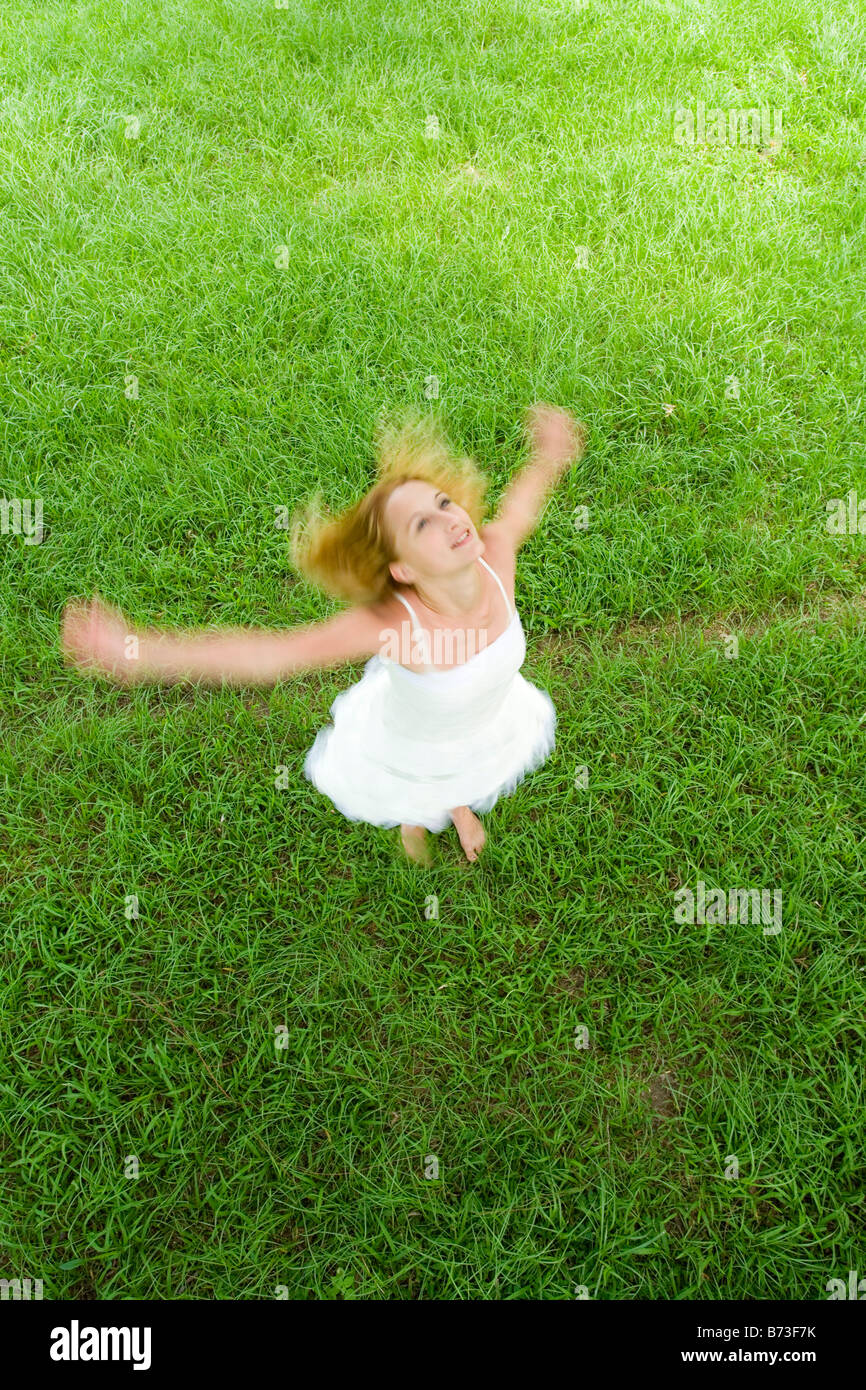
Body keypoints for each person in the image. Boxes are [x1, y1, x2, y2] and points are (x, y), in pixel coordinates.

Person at [60, 403, 587, 864]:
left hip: (484, 720)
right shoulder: (398, 626)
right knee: (416, 785)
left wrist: (550, 454)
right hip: (415, 738)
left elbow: (521, 505)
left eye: (444, 503)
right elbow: (273, 655)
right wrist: (138, 652)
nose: (450, 519)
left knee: (463, 768)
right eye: (421, 525)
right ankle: (414, 818)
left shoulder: (496, 556)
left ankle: (457, 802)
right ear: (401, 570)